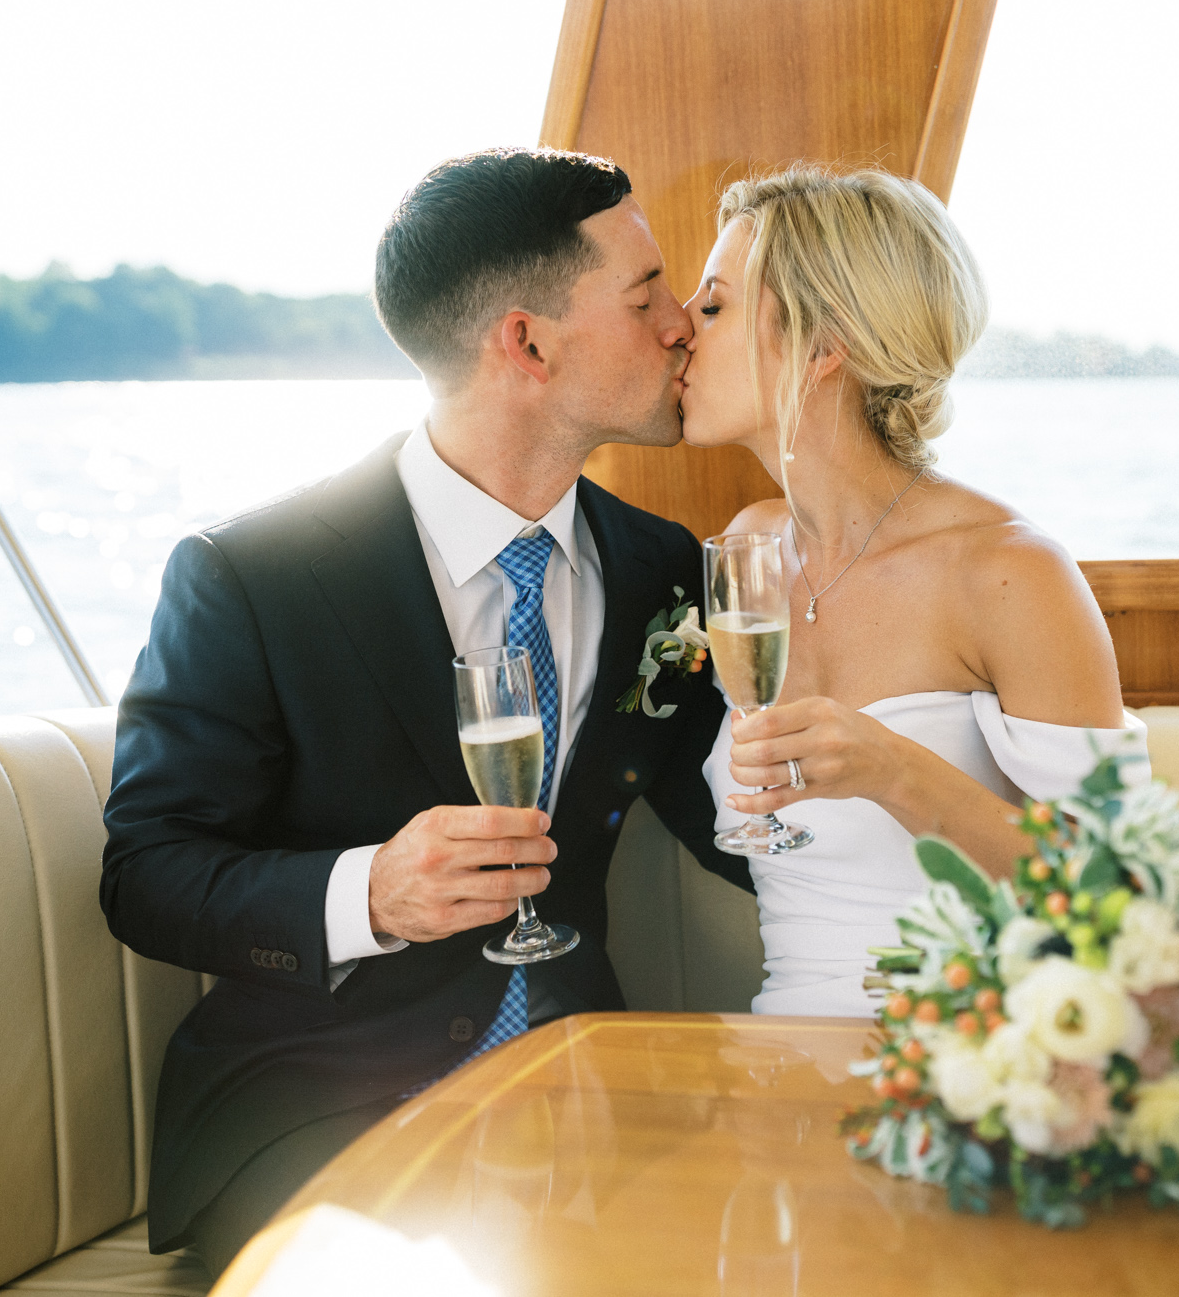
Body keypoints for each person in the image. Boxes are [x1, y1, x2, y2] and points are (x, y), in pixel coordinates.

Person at [100, 147, 751, 1275]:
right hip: (313, 1107)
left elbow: (736, 825)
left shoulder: (665, 574)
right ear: (527, 342)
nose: (680, 326)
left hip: (584, 1083)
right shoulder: (252, 574)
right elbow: (146, 871)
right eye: (646, 297)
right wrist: (373, 894)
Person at [678, 163, 1147, 1018]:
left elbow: (1113, 892)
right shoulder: (747, 548)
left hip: (977, 1058)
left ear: (823, 347)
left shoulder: (1008, 571)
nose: (679, 330)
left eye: (713, 305)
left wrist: (893, 769)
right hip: (781, 1047)